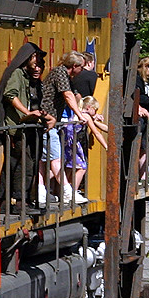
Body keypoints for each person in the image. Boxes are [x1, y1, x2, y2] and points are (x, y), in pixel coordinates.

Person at [0, 42, 47, 215]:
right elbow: (10, 94)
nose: (38, 67)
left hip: (29, 128)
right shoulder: (17, 74)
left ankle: (19, 200)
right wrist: (27, 112)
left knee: (25, 164)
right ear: (28, 59)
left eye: (41, 65)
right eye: (36, 62)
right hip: (17, 129)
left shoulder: (33, 81)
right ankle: (16, 201)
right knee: (21, 165)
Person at [39, 51, 89, 204]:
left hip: (51, 120)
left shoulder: (66, 76)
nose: (83, 71)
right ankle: (68, 192)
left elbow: (74, 94)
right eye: (82, 67)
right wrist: (79, 115)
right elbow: (67, 95)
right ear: (74, 66)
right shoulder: (60, 72)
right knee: (55, 157)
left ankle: (40, 191)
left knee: (44, 159)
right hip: (47, 120)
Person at [63, 95, 108, 202]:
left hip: (66, 142)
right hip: (73, 143)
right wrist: (106, 146)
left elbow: (98, 125)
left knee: (69, 167)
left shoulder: (79, 114)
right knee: (82, 167)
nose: (96, 112)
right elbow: (97, 133)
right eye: (95, 109)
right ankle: (72, 193)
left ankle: (64, 192)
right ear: (88, 107)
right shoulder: (86, 116)